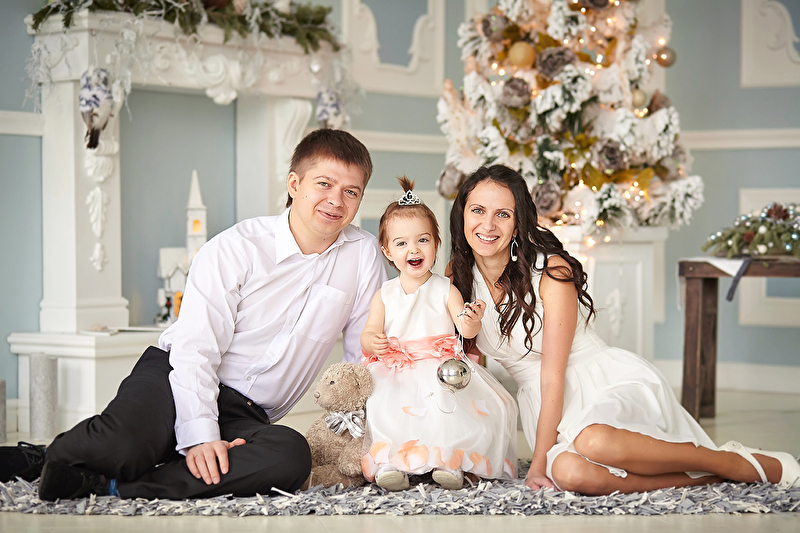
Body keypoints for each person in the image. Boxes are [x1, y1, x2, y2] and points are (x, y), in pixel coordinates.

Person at [0, 129, 388, 500]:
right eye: (324, 184)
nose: (336, 200)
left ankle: (116, 487)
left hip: (246, 415)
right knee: (121, 446)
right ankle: (46, 457)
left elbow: (363, 354)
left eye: (350, 191)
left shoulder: (362, 254)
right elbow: (196, 349)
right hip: (174, 379)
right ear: (294, 184)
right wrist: (201, 435)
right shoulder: (235, 248)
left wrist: (373, 435)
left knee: (290, 455)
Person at [448, 164, 800, 495]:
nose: (488, 225)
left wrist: (537, 463)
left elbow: (553, 376)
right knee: (570, 473)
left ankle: (729, 462)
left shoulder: (551, 272)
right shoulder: (457, 277)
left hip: (600, 383)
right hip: (541, 404)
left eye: (503, 214)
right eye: (478, 210)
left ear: (518, 224)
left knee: (593, 441)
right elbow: (470, 369)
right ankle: (710, 478)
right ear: (463, 214)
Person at [360, 177, 518, 491]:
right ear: (387, 251)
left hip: (442, 369)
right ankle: (390, 464)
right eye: (401, 243)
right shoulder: (385, 293)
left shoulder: (445, 288)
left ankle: (448, 461)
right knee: (386, 409)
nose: (413, 249)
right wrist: (373, 341)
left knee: (447, 412)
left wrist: (472, 319)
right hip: (397, 369)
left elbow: (464, 328)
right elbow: (368, 333)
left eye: (423, 240)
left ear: (436, 243)